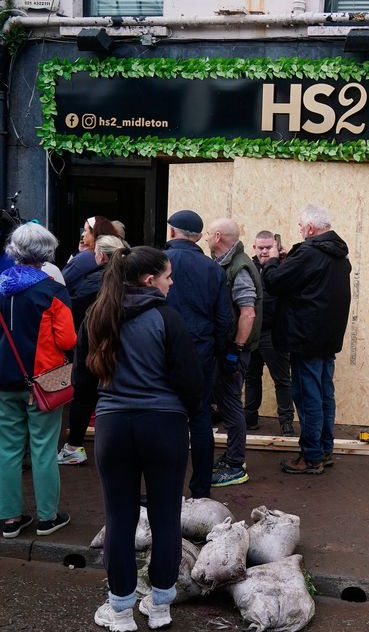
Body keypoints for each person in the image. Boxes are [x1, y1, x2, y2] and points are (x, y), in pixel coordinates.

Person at [74, 246, 203, 631]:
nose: (171, 281)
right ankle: (160, 607)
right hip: (164, 429)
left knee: (119, 519)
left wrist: (75, 436)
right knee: (166, 518)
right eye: (167, 275)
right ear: (149, 280)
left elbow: (82, 382)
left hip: (113, 429)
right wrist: (191, 414)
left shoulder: (96, 317)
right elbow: (191, 382)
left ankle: (118, 613)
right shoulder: (167, 318)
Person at [262, 205, 351, 474]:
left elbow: (275, 282)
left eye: (301, 226)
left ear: (311, 229)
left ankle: (311, 457)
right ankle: (324, 450)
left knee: (308, 396)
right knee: (324, 394)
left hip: (305, 338)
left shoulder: (309, 253)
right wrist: (293, 260)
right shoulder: (339, 255)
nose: (299, 230)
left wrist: (273, 261)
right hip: (326, 339)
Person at [0, 223, 75, 539]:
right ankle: (47, 518)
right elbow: (68, 338)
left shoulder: (1, 286)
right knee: (44, 449)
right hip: (42, 381)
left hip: (4, 380)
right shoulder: (52, 290)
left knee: (7, 449)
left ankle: (10, 520)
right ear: (46, 254)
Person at [163, 210, 232, 499]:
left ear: (171, 233)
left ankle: (164, 488)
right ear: (198, 237)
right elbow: (224, 319)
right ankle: (201, 489)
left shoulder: (158, 262)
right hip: (201, 352)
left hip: (162, 350)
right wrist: (220, 353)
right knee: (200, 417)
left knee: (165, 418)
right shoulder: (213, 268)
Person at [56, 234, 127, 466]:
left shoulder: (92, 282)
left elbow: (74, 310)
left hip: (92, 347)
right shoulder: (129, 281)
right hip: (122, 347)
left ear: (100, 256)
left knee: (84, 396)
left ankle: (75, 447)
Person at [205, 219, 262, 488]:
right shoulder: (227, 264)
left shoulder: (239, 267)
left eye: (208, 234)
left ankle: (236, 465)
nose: (205, 239)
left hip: (234, 349)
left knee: (230, 405)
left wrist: (236, 350)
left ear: (217, 236)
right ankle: (231, 457)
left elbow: (247, 312)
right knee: (227, 403)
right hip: (228, 347)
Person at [245, 230, 296, 437]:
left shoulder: (283, 267)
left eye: (269, 247)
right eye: (261, 247)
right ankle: (249, 419)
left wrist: (284, 261)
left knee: (282, 380)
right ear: (254, 248)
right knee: (251, 377)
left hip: (274, 333)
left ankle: (286, 422)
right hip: (251, 332)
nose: (264, 251)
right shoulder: (247, 268)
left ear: (275, 248)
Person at [62, 216, 118, 295]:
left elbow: (61, 282)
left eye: (85, 230)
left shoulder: (86, 257)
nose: (82, 234)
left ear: (94, 233)